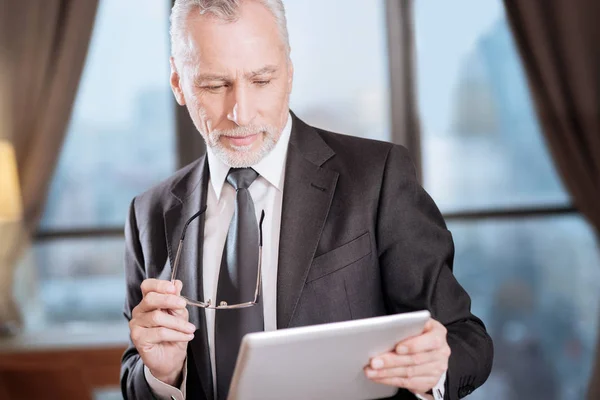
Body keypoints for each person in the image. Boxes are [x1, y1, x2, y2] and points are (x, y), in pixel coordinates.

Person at [120, 1, 493, 399]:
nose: (241, 112)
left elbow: (467, 339)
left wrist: (434, 368)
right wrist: (161, 375)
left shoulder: (378, 177)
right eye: (214, 85)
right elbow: (133, 372)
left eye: (261, 80)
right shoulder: (150, 213)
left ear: (289, 71)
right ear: (178, 82)